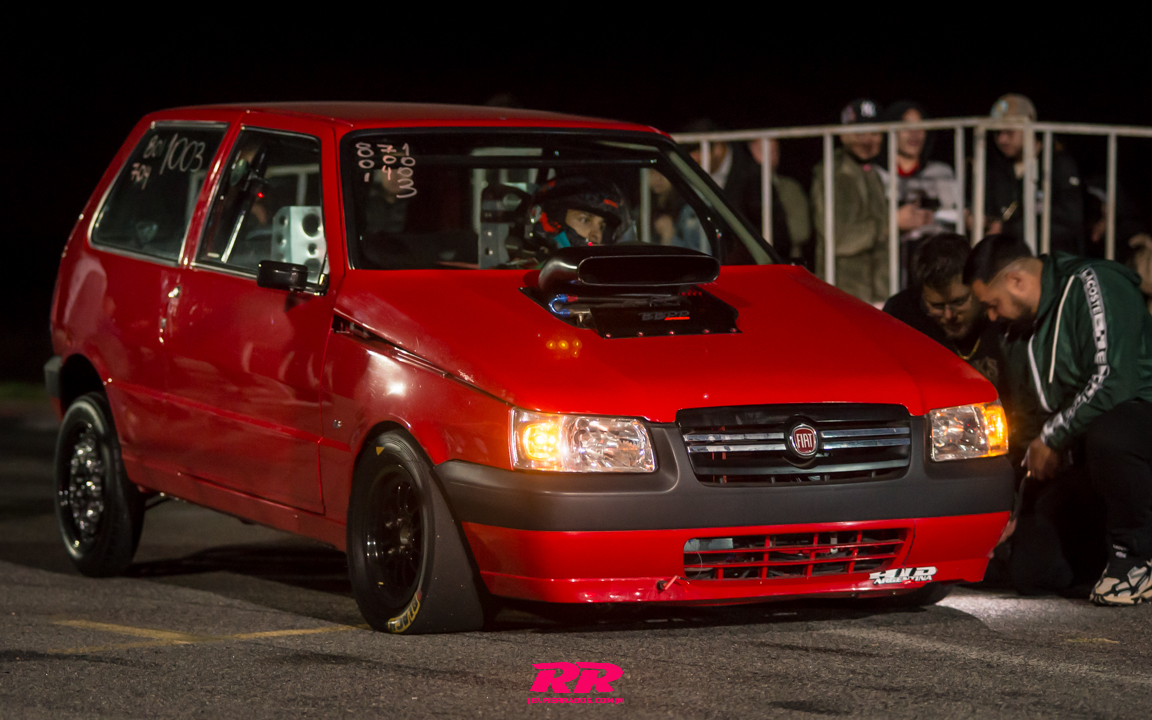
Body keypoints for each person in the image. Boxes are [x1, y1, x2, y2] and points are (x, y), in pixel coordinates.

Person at [965, 233, 1152, 605]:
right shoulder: (1016, 330)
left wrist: (1051, 438)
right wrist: (1016, 498)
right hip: (1082, 453)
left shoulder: (1093, 283)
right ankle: (1101, 559)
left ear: (1016, 281)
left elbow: (1113, 379)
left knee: (1110, 433)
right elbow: (1026, 419)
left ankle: (1136, 557)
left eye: (992, 304)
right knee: (1034, 573)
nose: (991, 315)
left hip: (1135, 424)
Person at [984, 94, 1085, 255]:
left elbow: (1070, 221)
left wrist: (1008, 229)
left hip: (1052, 259)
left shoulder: (1057, 163)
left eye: (1009, 131)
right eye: (997, 133)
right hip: (1010, 259)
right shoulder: (996, 166)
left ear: (1029, 126)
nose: (1002, 139)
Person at [811, 99, 889, 305]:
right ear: (843, 135)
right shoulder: (836, 173)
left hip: (875, 294)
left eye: (874, 133)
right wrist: (892, 223)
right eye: (860, 133)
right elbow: (840, 239)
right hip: (845, 295)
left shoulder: (872, 172)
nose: (868, 141)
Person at [879, 101, 959, 287]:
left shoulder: (940, 173)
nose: (914, 133)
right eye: (906, 127)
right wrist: (895, 221)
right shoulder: (877, 176)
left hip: (933, 272)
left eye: (920, 126)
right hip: (886, 272)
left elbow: (955, 218)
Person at [746, 138, 812, 265]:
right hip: (750, 263)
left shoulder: (790, 188)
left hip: (785, 261)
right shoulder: (740, 188)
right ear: (750, 151)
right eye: (763, 151)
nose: (772, 157)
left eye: (775, 151)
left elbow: (801, 231)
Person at [531, 176, 629, 248]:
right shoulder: (528, 268)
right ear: (553, 219)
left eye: (601, 227)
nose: (597, 235)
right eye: (585, 220)